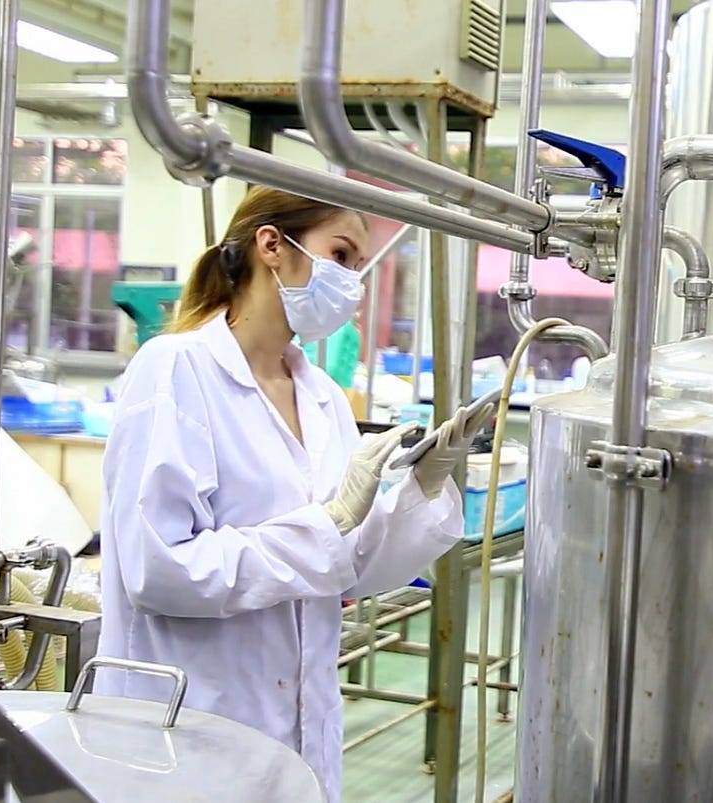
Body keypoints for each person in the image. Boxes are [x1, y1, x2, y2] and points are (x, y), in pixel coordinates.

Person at [95, 186, 490, 802]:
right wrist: (326, 524)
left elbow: (344, 567)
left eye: (359, 265)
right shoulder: (176, 368)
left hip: (301, 729)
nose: (352, 282)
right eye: (342, 255)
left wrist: (424, 485)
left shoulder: (322, 396)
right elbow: (161, 569)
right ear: (272, 245)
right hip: (192, 725)